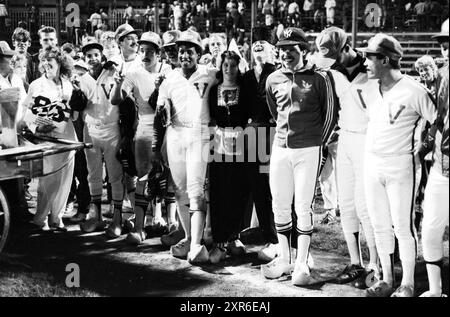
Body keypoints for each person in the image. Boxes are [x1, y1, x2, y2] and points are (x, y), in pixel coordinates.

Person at [360, 34, 437, 297]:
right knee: (379, 224)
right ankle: (386, 279)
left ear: (385, 59)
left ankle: (408, 283)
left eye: (370, 57)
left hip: (401, 165)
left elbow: (438, 121)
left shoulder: (414, 90)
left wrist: (424, 148)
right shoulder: (371, 88)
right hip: (372, 163)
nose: (366, 62)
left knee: (402, 226)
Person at [261, 28, 338, 285]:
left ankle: (302, 261)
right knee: (279, 205)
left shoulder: (320, 77)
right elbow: (275, 112)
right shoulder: (273, 78)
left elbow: (329, 114)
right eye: (282, 48)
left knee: (302, 207)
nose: (286, 53)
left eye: (292, 49)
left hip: (309, 148)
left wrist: (320, 143)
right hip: (281, 147)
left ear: (303, 50)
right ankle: (285, 258)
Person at [314, 26, 380, 289]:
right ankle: (356, 262)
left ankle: (375, 263)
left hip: (370, 140)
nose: (330, 62)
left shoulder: (373, 66)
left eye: (333, 55)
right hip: (346, 140)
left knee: (367, 206)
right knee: (348, 204)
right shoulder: (331, 72)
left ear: (346, 47)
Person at [152, 30, 218, 263]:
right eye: (181, 51)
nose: (184, 55)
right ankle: (190, 237)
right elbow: (160, 116)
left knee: (196, 188)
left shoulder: (210, 74)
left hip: (200, 132)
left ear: (199, 53)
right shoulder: (169, 79)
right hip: (175, 133)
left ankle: (200, 242)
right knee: (179, 188)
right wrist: (155, 147)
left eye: (189, 51)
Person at [111, 31, 172, 244]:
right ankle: (139, 227)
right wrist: (118, 84)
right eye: (143, 50)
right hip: (145, 128)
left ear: (158, 53)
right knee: (143, 177)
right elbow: (115, 100)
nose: (145, 54)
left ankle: (173, 225)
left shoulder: (169, 71)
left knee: (169, 178)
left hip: (170, 128)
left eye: (150, 51)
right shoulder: (134, 74)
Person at [67, 39, 124, 235]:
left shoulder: (112, 72)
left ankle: (117, 218)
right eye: (89, 56)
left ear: (102, 56)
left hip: (111, 128)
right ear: (84, 58)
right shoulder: (81, 80)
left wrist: (113, 65)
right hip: (91, 129)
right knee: (93, 174)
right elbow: (77, 107)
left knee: (115, 175)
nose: (93, 59)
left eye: (96, 55)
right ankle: (96, 216)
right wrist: (75, 92)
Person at [24, 46, 76, 232]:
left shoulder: (69, 84)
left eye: (50, 60)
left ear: (60, 63)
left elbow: (75, 114)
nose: (46, 64)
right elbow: (27, 114)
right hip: (46, 136)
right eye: (43, 60)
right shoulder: (36, 85)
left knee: (65, 178)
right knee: (47, 179)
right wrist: (37, 127)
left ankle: (57, 217)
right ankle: (41, 218)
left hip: (67, 134)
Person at [241, 26, 278, 262]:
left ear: (272, 48)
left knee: (274, 188)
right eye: (255, 43)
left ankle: (278, 239)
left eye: (263, 43)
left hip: (273, 134)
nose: (258, 47)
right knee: (257, 188)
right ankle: (266, 233)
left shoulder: (277, 73)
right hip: (251, 134)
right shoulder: (245, 76)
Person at [208, 50, 249, 263]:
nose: (228, 68)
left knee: (237, 192)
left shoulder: (245, 89)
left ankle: (234, 236)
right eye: (225, 64)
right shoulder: (214, 89)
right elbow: (210, 117)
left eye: (233, 65)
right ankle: (219, 241)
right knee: (219, 193)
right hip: (219, 145)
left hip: (241, 146)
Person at [419, 18, 449, 297]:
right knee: (430, 227)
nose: (446, 49)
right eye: (443, 44)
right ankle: (435, 290)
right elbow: (438, 120)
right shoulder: (442, 76)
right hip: (443, 164)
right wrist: (425, 145)